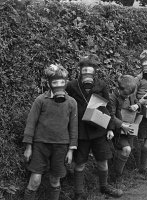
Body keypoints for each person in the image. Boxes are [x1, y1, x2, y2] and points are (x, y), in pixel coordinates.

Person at [66, 54, 123, 199]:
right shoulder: (71, 86)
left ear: (94, 72)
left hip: (99, 129)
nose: (87, 74)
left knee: (102, 162)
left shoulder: (101, 85)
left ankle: (104, 187)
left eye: (90, 71)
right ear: (80, 70)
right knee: (80, 163)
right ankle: (79, 193)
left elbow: (108, 107)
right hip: (81, 131)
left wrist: (110, 128)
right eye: (84, 71)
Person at [23, 64, 78, 200]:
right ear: (49, 84)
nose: (59, 85)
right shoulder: (41, 100)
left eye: (62, 82)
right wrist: (28, 147)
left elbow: (73, 127)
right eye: (55, 82)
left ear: (66, 82)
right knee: (35, 180)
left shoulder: (71, 103)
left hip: (61, 146)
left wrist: (71, 150)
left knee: (55, 179)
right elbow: (31, 123)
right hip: (40, 145)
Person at [109, 75, 141, 186]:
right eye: (125, 94)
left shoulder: (130, 94)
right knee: (125, 149)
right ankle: (116, 178)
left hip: (129, 129)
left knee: (126, 151)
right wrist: (122, 125)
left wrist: (137, 105)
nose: (127, 96)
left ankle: (117, 174)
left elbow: (138, 103)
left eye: (129, 94)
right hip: (118, 130)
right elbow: (110, 116)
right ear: (119, 88)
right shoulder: (112, 97)